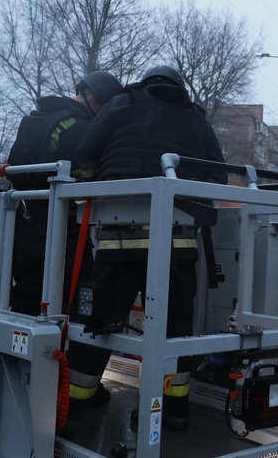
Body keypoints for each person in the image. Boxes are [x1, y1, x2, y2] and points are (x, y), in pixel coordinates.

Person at [68, 64, 228, 430]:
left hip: (119, 241)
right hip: (177, 246)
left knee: (99, 323)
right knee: (174, 331)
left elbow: (85, 154)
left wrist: (98, 189)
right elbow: (217, 177)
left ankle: (79, 400)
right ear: (179, 86)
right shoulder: (197, 119)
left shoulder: (122, 103)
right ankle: (173, 410)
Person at [6, 70, 124, 317]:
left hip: (23, 229)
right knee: (80, 301)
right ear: (96, 102)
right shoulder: (80, 127)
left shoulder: (35, 120)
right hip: (62, 232)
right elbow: (94, 174)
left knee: (27, 301)